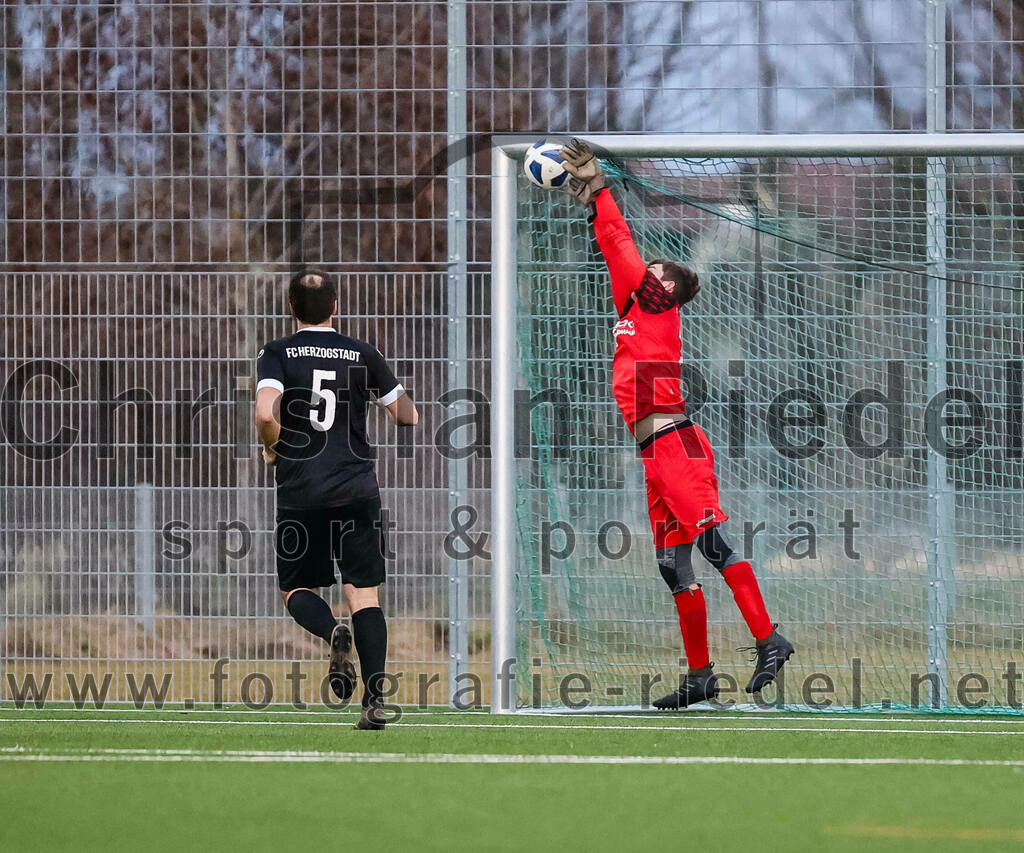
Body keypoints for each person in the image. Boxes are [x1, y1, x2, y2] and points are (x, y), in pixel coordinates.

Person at [559, 139, 794, 709]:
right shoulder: (633, 309)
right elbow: (611, 245)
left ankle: (770, 639)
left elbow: (619, 242)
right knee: (672, 564)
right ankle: (699, 676)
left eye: (659, 271)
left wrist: (599, 186)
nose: (650, 271)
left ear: (669, 291)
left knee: (713, 545)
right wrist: (593, 202)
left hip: (677, 445)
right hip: (653, 453)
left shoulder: (660, 306)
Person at [255, 270, 418, 729]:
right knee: (363, 594)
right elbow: (408, 415)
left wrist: (272, 446)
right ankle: (375, 702)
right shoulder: (362, 352)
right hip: (355, 488)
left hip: (300, 490)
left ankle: (332, 633)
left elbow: (265, 413)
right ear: (336, 306)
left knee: (295, 590)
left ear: (290, 308)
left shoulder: (278, 353)